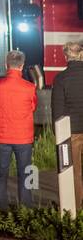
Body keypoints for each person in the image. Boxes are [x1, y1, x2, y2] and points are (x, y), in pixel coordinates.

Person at [0, 50, 36, 211]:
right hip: (23, 138)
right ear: (22, 66)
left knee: (1, 173)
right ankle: (26, 207)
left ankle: (0, 207)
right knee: (26, 172)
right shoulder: (29, 87)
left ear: (6, 65)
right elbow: (33, 107)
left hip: (1, 137)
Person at [50, 40, 83, 212]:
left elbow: (57, 110)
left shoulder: (61, 78)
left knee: (75, 174)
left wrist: (58, 134)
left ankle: (76, 210)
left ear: (66, 56)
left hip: (73, 133)